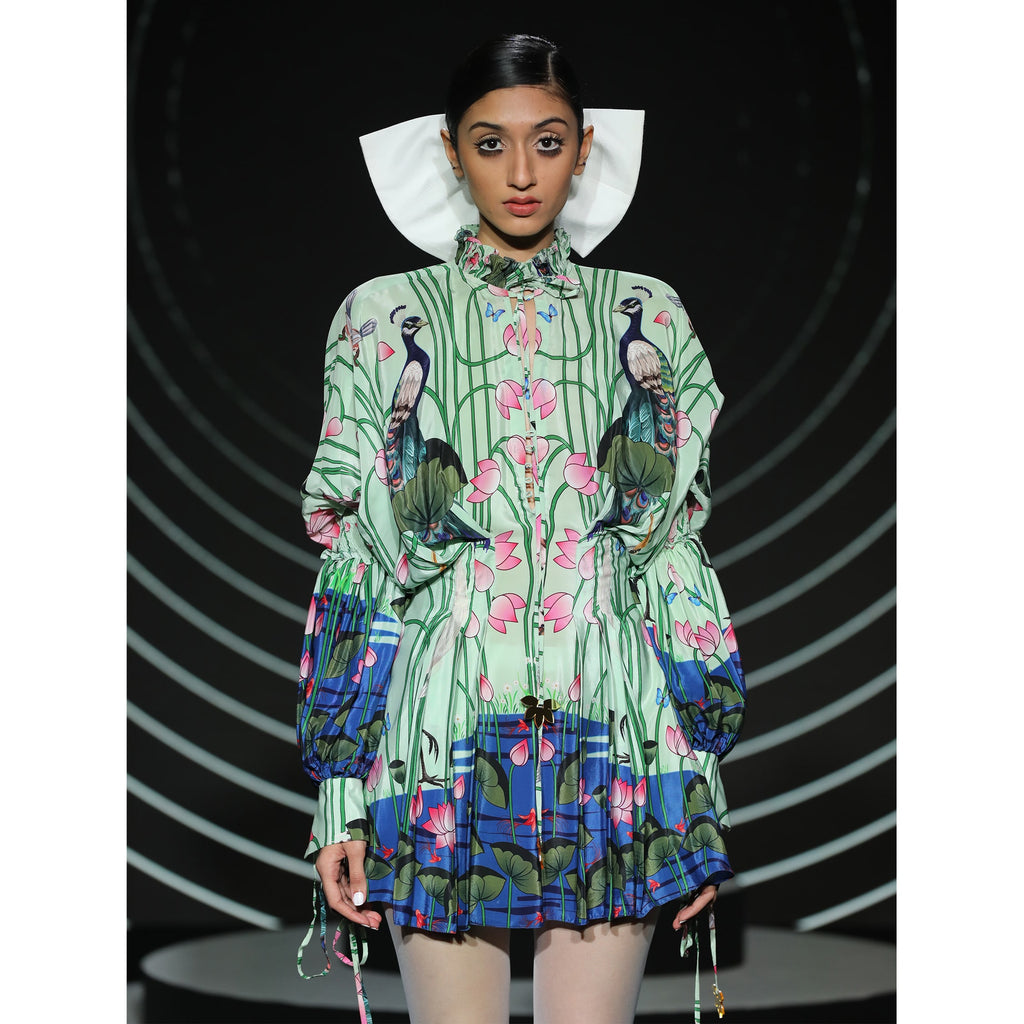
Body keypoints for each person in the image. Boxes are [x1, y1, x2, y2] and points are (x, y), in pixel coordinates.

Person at [295, 33, 746, 1024]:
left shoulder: (647, 312)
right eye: (490, 144)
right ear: (451, 153)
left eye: (547, 141)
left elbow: (671, 564)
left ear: (583, 149)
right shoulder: (379, 318)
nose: (521, 173)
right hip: (433, 739)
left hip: (617, 741)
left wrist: (699, 791)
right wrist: (338, 791)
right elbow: (359, 566)